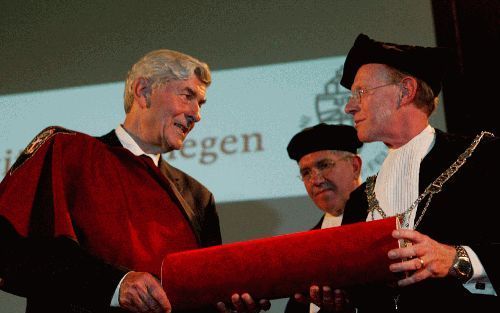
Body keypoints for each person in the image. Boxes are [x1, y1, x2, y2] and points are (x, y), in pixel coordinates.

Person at [0, 49, 269, 313]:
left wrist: (229, 304)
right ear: (143, 91)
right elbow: (13, 251)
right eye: (188, 96)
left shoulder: (198, 197)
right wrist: (116, 285)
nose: (196, 114)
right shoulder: (66, 151)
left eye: (201, 104)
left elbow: (203, 293)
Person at [337, 33, 499, 312]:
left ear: (405, 91)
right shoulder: (358, 203)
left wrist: (457, 259)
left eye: (360, 93)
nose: (349, 107)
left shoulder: (483, 159)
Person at [284, 123, 363, 313]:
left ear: (355, 166)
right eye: (306, 173)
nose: (316, 180)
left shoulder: (383, 221)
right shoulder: (307, 247)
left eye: (324, 165)